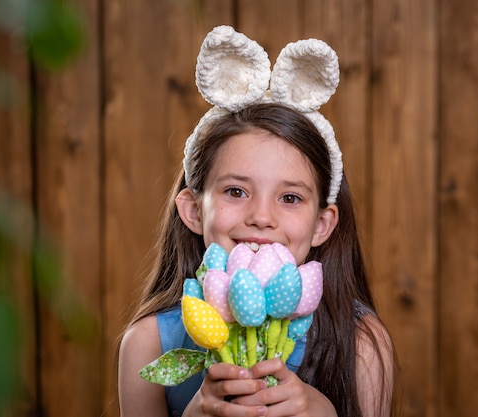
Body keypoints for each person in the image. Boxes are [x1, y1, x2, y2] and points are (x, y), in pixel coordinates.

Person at [118, 26, 394, 417]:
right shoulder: (146, 344)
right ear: (194, 211)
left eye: (290, 198)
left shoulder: (362, 343)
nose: (262, 217)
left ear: (322, 224)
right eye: (235, 191)